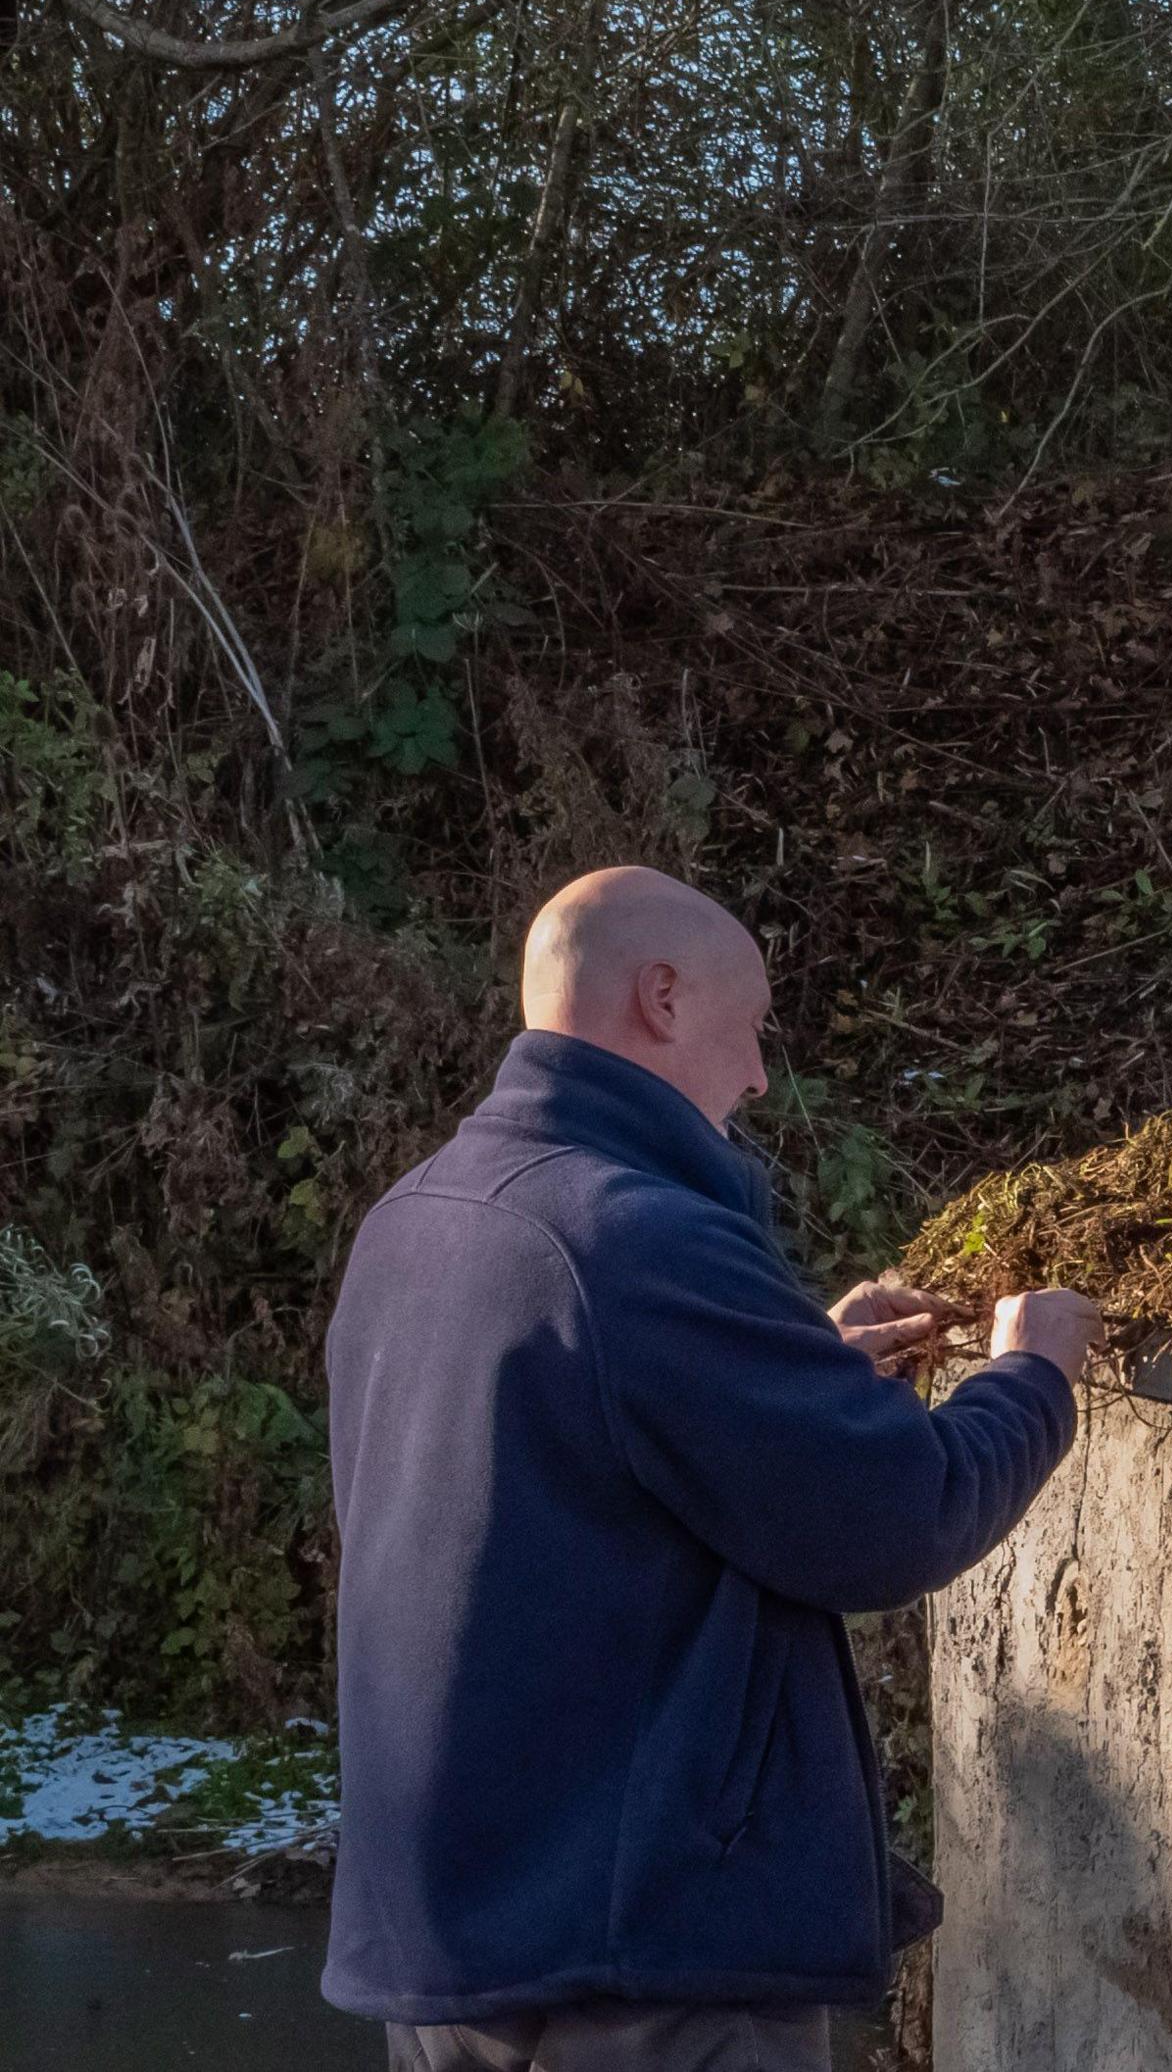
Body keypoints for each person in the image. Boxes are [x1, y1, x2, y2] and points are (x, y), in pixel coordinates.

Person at [322, 865, 1102, 2067]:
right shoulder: (635, 1237)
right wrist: (1031, 1376)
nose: (755, 1074)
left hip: (454, 1951)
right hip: (642, 1958)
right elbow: (898, 1515)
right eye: (751, 1028)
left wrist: (801, 1363)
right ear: (664, 999)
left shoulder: (418, 1220)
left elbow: (580, 1459)